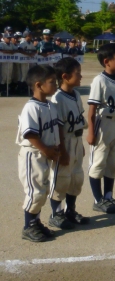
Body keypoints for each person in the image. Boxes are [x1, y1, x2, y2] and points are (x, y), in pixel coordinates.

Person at [17, 65, 63, 242]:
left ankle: (35, 222)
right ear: (38, 84)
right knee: (35, 191)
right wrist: (46, 149)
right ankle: (28, 226)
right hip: (33, 154)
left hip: (45, 153)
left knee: (42, 190)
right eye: (52, 82)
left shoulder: (49, 105)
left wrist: (55, 148)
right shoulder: (31, 107)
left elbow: (54, 129)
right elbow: (29, 134)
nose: (56, 85)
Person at [86, 43, 115, 214]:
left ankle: (108, 196)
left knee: (112, 162)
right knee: (98, 162)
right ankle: (98, 199)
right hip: (103, 124)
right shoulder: (99, 80)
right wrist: (90, 131)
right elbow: (92, 110)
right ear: (106, 61)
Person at [51, 57, 89, 228]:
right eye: (77, 74)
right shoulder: (57, 98)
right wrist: (62, 151)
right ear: (65, 76)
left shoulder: (75, 94)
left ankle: (70, 210)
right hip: (64, 142)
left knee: (76, 178)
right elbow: (58, 127)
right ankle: (56, 214)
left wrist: (80, 145)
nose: (81, 76)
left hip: (76, 139)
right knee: (61, 179)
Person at [17, 30, 37, 95]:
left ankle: (25, 89)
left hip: (28, 61)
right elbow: (20, 50)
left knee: (28, 75)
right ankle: (21, 89)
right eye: (30, 35)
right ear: (26, 36)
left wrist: (33, 53)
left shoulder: (30, 43)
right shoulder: (23, 42)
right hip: (23, 61)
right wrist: (28, 54)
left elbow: (34, 50)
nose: (31, 36)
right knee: (23, 75)